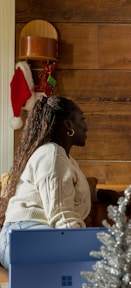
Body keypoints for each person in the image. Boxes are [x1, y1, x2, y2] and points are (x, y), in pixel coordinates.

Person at [0, 96, 91, 269]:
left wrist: (100, 194)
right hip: (24, 237)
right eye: (82, 119)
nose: (86, 126)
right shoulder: (52, 155)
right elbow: (62, 214)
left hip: (31, 235)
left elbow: (69, 191)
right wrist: (81, 251)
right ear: (68, 125)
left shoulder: (64, 158)